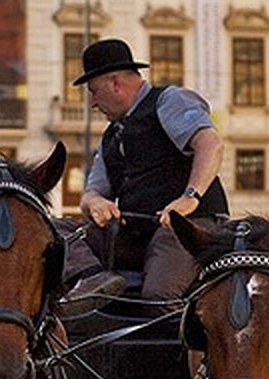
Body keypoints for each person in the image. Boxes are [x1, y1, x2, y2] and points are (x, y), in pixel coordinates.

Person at [60, 38, 228, 305]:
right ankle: (94, 280)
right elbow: (90, 194)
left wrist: (190, 197)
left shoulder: (168, 101)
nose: (92, 103)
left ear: (115, 83)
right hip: (133, 233)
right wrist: (96, 202)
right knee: (55, 231)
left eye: (94, 91)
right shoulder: (111, 135)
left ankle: (187, 346)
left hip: (185, 227)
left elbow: (211, 143)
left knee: (159, 297)